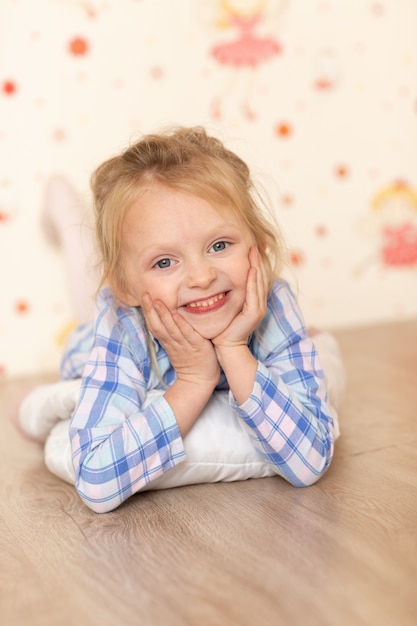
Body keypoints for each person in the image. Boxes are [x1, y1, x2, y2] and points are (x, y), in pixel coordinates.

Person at [18, 125, 345, 513]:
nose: (202, 277)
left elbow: (309, 463)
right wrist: (194, 380)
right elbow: (96, 482)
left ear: (257, 246)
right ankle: (65, 207)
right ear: (125, 287)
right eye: (165, 261)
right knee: (86, 301)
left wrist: (233, 348)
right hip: (94, 336)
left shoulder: (272, 303)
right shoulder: (122, 321)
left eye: (219, 245)